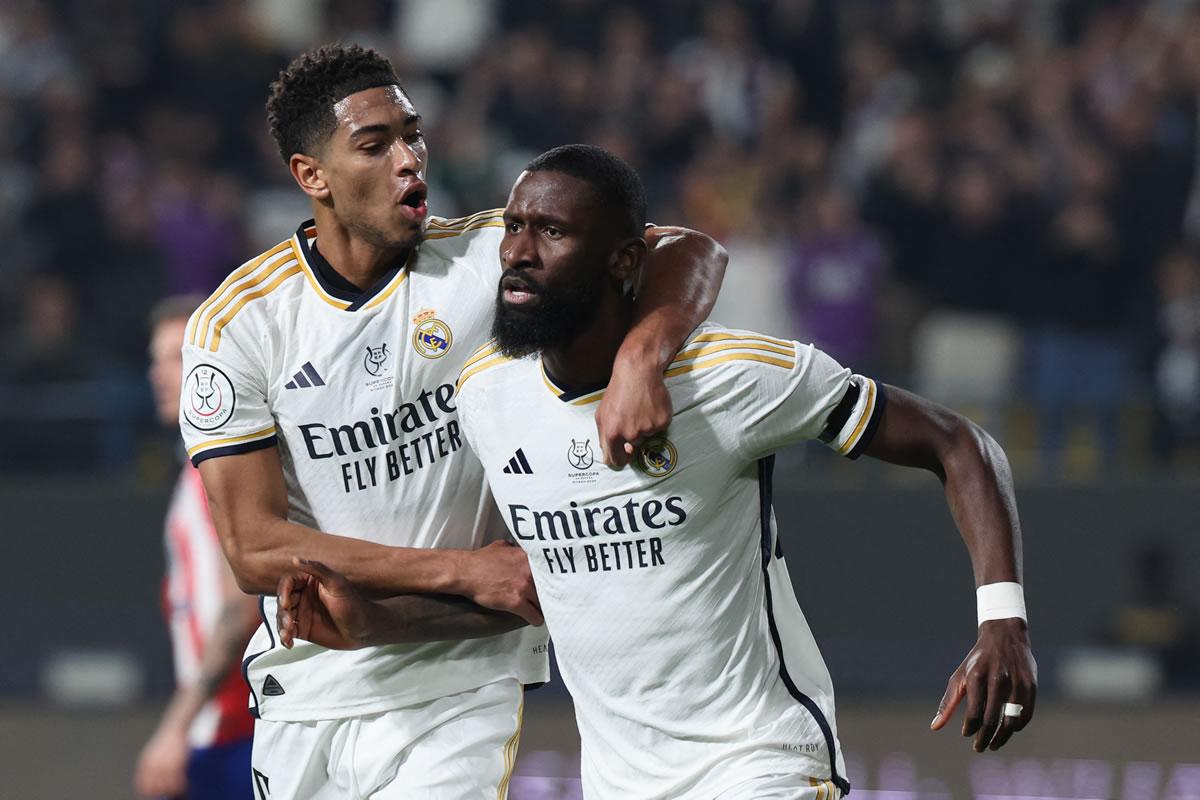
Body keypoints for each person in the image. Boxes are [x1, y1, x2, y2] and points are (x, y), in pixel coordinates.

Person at [276, 145, 1038, 800]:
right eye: (513, 226)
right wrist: (378, 624)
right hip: (618, 782)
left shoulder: (730, 376)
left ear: (625, 261)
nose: (517, 250)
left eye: (551, 230)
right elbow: (544, 593)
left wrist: (1002, 619)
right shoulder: (487, 396)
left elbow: (958, 443)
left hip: (760, 764)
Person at [178, 45, 726, 799]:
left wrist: (641, 357)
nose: (410, 160)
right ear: (313, 177)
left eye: (414, 134)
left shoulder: (482, 260)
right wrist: (465, 569)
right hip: (309, 689)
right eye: (375, 145)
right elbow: (253, 549)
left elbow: (684, 247)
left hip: (458, 684)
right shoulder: (241, 325)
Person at [136, 295, 260, 800]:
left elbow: (242, 603)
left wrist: (175, 726)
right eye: (153, 358)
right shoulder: (193, 470)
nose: (157, 374)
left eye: (175, 357)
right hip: (222, 726)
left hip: (238, 727)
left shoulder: (221, 471)